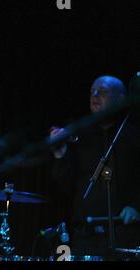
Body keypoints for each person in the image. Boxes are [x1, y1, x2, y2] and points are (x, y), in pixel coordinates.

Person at [50, 75, 140, 257]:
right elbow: (66, 186)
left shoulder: (133, 136)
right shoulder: (79, 133)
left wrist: (136, 206)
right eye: (92, 92)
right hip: (86, 236)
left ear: (120, 99)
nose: (95, 95)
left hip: (124, 234)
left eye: (103, 92)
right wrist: (60, 155)